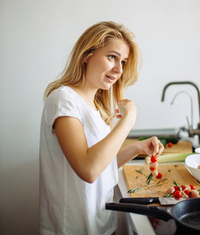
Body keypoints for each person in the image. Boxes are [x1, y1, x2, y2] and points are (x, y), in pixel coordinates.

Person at [39, 21, 164, 235]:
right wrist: (128, 120)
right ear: (87, 54)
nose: (119, 70)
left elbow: (102, 164)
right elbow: (88, 170)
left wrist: (137, 148)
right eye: (112, 57)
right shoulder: (64, 99)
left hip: (102, 225)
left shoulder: (95, 106)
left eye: (123, 61)